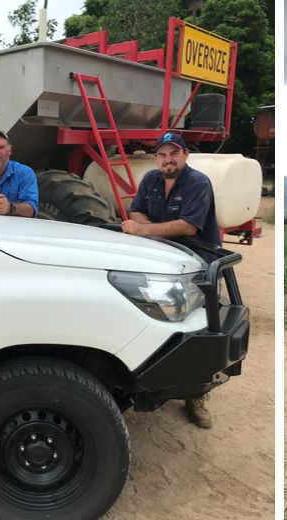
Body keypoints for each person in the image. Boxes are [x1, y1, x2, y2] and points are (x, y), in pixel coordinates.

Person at [121, 131, 220, 429]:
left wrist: (144, 231)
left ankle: (197, 396)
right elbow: (135, 211)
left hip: (198, 260)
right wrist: (155, 231)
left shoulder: (198, 182)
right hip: (163, 258)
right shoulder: (150, 179)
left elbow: (189, 227)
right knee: (159, 317)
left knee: (200, 330)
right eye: (162, 154)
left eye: (173, 153)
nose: (168, 159)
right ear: (157, 158)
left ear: (185, 155)